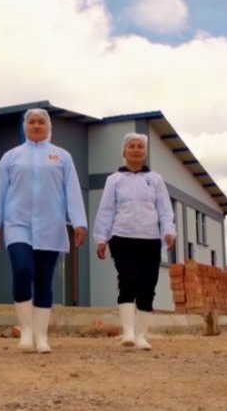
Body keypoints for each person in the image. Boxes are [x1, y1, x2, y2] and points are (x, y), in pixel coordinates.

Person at [0, 108, 87, 354]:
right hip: (17, 223)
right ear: (24, 126)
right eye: (31, 121)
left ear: (49, 127)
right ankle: (27, 330)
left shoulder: (62, 157)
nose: (36, 125)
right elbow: (0, 191)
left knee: (43, 280)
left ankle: (41, 336)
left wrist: (79, 222)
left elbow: (72, 191)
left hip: (51, 225)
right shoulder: (11, 157)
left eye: (41, 122)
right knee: (22, 270)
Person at [93, 132, 176, 351]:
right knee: (128, 279)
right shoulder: (114, 180)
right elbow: (106, 211)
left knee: (148, 286)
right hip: (122, 238)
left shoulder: (155, 179)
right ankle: (128, 332)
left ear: (145, 152)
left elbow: (165, 209)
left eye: (140, 146)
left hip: (150, 239)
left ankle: (141, 336)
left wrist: (168, 231)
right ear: (124, 151)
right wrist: (101, 238)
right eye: (132, 146)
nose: (136, 149)